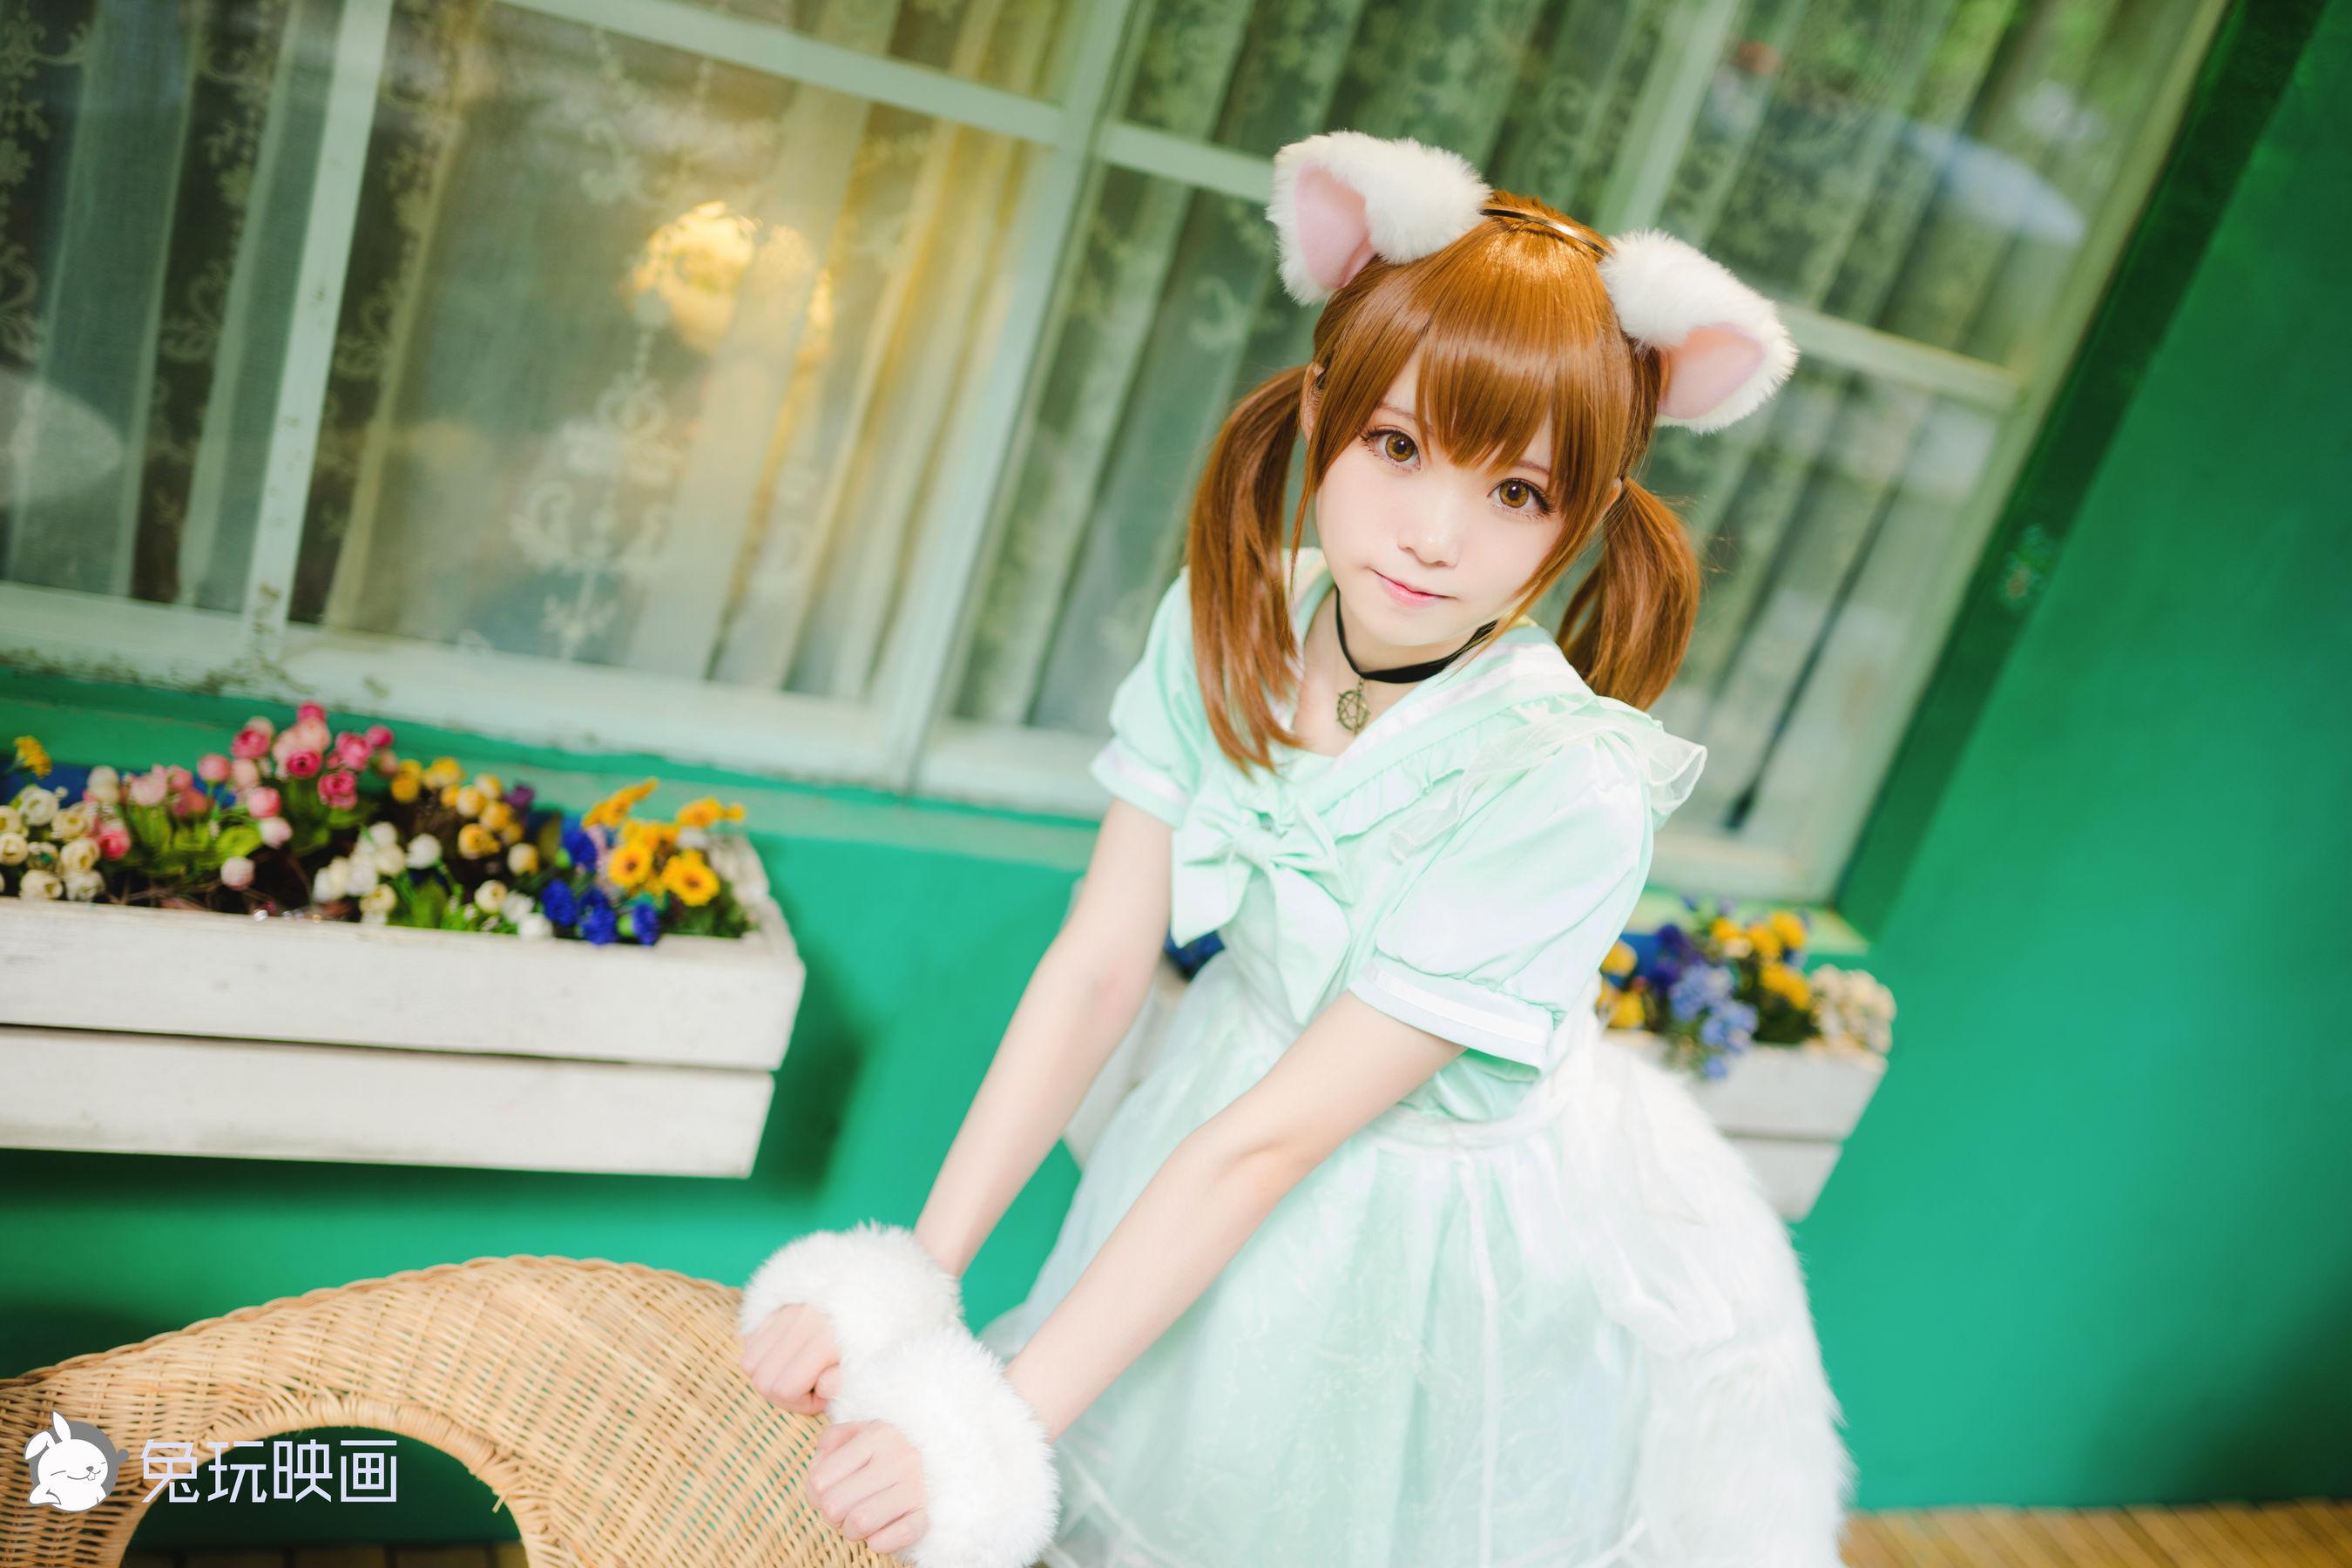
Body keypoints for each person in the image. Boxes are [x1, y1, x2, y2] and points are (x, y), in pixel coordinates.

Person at [735, 129, 1854, 1568]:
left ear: (1577, 520)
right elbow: (1097, 969)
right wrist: (908, 1282)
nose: (1435, 535)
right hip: (1224, 1106)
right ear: (1325, 410)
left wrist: (982, 1437)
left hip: (1419, 1227)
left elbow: (1271, 1147)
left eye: (1516, 493)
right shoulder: (1235, 619)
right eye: (1399, 446)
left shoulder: (1562, 790)